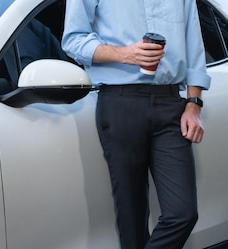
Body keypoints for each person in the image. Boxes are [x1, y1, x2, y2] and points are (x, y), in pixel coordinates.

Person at [61, 1, 211, 248]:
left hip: (171, 102)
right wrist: (124, 53)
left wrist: (194, 104)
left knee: (182, 213)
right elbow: (73, 40)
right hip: (120, 102)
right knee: (132, 217)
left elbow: (193, 44)